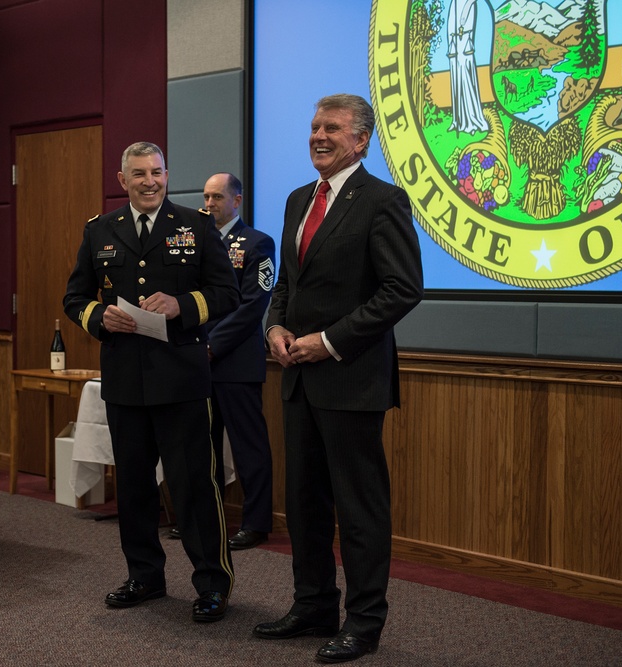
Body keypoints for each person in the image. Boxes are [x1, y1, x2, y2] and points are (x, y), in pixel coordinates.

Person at [254, 94, 423, 663]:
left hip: (351, 380)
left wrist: (328, 342)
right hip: (297, 380)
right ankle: (314, 605)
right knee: (302, 504)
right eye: (313, 127)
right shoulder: (299, 199)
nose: (318, 136)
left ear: (361, 140)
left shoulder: (383, 201)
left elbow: (402, 289)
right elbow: (288, 284)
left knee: (359, 508)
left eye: (332, 128)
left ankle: (365, 622)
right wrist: (274, 327)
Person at [63, 142, 239, 623]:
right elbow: (74, 297)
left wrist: (183, 305)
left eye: (157, 172)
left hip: (181, 380)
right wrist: (99, 316)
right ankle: (145, 576)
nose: (149, 181)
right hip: (124, 380)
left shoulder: (196, 226)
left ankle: (212, 584)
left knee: (193, 489)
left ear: (167, 175)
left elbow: (228, 292)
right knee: (135, 489)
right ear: (122, 180)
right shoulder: (100, 230)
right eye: (138, 174)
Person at [203, 172, 276, 550]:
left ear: (237, 200)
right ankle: (204, 517)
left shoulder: (257, 243)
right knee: (204, 446)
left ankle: (256, 522)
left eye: (217, 197)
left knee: (249, 446)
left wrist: (213, 344)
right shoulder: (196, 241)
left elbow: (254, 305)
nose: (210, 203)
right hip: (199, 361)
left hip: (235, 361)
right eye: (206, 197)